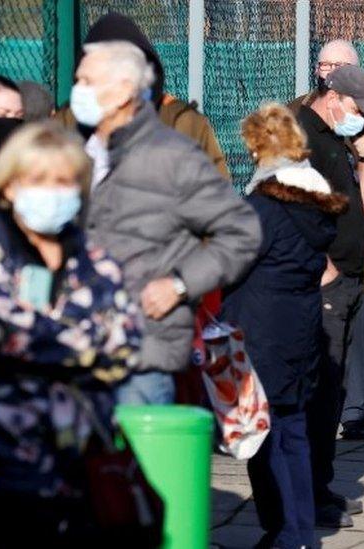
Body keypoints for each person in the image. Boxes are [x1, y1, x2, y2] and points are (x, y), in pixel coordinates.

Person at [0, 122, 146, 547]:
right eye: (39, 180)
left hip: (78, 455)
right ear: (11, 185)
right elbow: (0, 335)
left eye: (64, 181)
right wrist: (84, 339)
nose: (53, 192)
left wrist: (48, 339)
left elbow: (125, 342)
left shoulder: (96, 260)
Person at [72, 40, 261, 405]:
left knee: (141, 461)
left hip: (143, 354)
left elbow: (241, 231)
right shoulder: (79, 152)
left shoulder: (172, 157)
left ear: (125, 90)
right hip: (79, 349)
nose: (77, 91)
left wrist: (179, 285)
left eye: (87, 80)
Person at [223, 103, 348, 549]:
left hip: (259, 329)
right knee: (292, 431)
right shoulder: (315, 204)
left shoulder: (264, 206)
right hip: (299, 326)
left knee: (266, 436)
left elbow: (229, 262)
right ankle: (297, 530)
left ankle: (284, 529)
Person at [290, 40, 364, 442]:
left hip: (362, 251)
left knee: (355, 347)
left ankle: (356, 416)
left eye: (337, 64)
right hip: (320, 268)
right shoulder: (296, 125)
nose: (327, 69)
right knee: (323, 362)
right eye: (323, 63)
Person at [291, 60, 364, 527]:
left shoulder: (335, 138)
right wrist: (322, 268)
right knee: (318, 391)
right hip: (323, 282)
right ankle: (306, 494)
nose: (362, 118)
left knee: (332, 391)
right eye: (356, 108)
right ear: (332, 99)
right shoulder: (304, 137)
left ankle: (320, 486)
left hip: (346, 278)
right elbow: (291, 210)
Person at [57, 12, 230, 179]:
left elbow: (217, 198)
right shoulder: (64, 124)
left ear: (125, 85)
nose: (80, 89)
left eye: (89, 81)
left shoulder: (182, 124)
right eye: (79, 79)